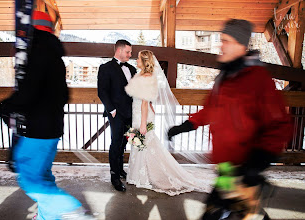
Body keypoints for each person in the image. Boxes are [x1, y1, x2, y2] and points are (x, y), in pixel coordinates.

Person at [168, 19, 292, 219]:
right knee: (217, 209)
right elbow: (210, 110)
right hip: (225, 168)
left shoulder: (258, 79)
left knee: (230, 213)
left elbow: (278, 125)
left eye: (226, 40)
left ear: (241, 46)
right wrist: (185, 125)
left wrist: (257, 164)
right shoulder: (223, 78)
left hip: (245, 170)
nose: (220, 45)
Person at [0, 11, 93, 220]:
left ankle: (69, 209)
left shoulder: (37, 54)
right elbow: (63, 95)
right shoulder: (56, 58)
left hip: (36, 129)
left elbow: (28, 92)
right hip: (51, 129)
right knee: (43, 176)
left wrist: (7, 105)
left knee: (31, 179)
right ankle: (46, 216)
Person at [125, 50, 213, 196]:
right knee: (140, 145)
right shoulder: (141, 75)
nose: (136, 61)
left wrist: (142, 123)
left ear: (145, 61)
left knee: (144, 144)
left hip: (142, 115)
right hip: (139, 113)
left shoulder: (146, 77)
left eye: (139, 59)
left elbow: (145, 103)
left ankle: (142, 176)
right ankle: (138, 174)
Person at [97, 40, 137, 192]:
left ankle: (120, 170)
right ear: (119, 51)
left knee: (126, 142)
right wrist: (111, 110)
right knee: (115, 143)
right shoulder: (105, 68)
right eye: (128, 52)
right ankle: (114, 176)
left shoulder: (132, 69)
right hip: (116, 114)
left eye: (130, 52)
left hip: (132, 113)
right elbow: (102, 91)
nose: (130, 55)